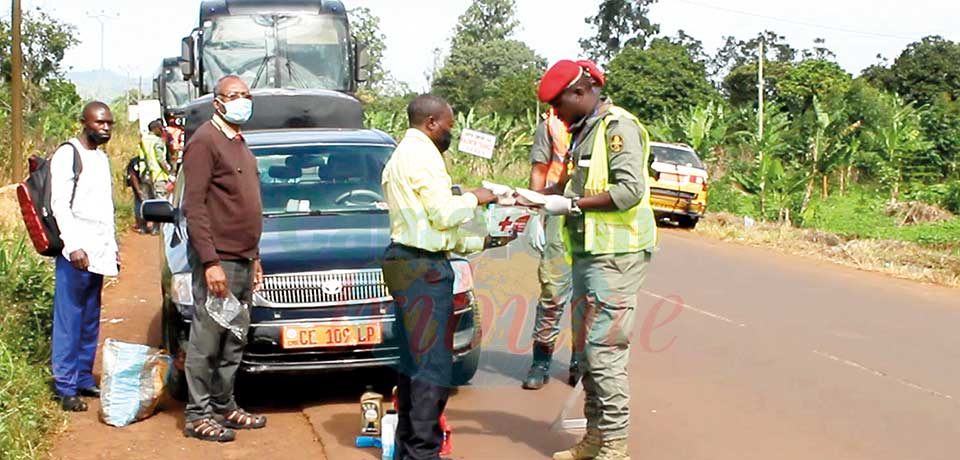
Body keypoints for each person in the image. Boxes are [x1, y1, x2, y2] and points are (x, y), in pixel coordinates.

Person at [538, 60, 658, 460]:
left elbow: (628, 192)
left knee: (605, 352)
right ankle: (593, 439)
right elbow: (576, 183)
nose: (555, 114)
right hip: (589, 254)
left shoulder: (617, 129)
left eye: (558, 105)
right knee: (588, 352)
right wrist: (536, 200)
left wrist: (570, 204)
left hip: (617, 256)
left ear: (578, 93)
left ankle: (614, 447)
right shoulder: (584, 131)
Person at [381, 94, 509, 460]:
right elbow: (441, 213)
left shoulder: (403, 154)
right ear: (432, 123)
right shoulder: (423, 156)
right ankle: (423, 451)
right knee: (431, 367)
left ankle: (411, 447)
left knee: (412, 363)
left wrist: (483, 240)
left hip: (408, 260)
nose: (450, 133)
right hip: (421, 268)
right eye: (449, 126)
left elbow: (426, 227)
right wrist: (477, 197)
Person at [181, 75, 266, 442]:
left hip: (243, 259)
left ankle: (224, 405)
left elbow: (244, 205)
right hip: (219, 263)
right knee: (207, 338)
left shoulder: (239, 143)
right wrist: (210, 261)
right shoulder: (205, 142)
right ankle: (197, 414)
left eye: (247, 95)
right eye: (234, 96)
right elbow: (194, 206)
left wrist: (255, 257)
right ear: (218, 102)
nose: (242, 101)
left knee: (234, 335)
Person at [49, 101, 118, 412]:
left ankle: (82, 377)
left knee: (90, 317)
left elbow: (106, 209)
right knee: (70, 317)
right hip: (75, 251)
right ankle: (64, 385)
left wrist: (113, 248)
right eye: (99, 122)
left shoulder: (101, 159)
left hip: (99, 250)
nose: (104, 128)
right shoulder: (68, 154)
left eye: (109, 124)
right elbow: (59, 204)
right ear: (84, 122)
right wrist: (72, 244)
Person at [522, 107, 577, 390]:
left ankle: (580, 361)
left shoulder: (607, 122)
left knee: (588, 297)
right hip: (557, 210)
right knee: (553, 291)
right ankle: (541, 361)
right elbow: (540, 169)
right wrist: (536, 215)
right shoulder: (551, 125)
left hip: (593, 215)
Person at [138, 119, 171, 205]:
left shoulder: (143, 140)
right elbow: (160, 159)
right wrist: (168, 174)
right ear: (155, 129)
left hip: (145, 176)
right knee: (161, 204)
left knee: (148, 203)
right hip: (158, 176)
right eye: (160, 128)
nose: (162, 130)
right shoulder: (157, 141)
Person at [124, 155, 149, 234]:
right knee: (140, 204)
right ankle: (142, 226)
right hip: (140, 184)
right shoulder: (136, 161)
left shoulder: (147, 159)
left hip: (145, 184)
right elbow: (132, 176)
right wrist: (138, 190)